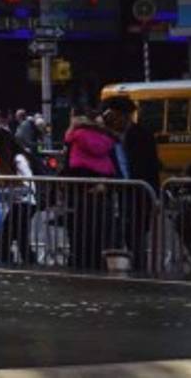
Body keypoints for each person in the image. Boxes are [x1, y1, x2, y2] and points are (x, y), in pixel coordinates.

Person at [102, 96, 161, 269]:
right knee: (115, 236)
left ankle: (139, 270)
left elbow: (151, 167)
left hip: (137, 193)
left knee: (136, 237)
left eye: (115, 116)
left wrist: (155, 197)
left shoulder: (142, 135)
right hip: (117, 193)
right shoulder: (107, 136)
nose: (113, 120)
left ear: (125, 116)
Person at [63, 107, 118, 271]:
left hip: (79, 195)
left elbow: (69, 168)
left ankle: (80, 270)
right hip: (103, 195)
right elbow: (115, 168)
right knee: (100, 238)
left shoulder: (74, 138)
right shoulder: (106, 139)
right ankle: (98, 269)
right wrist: (106, 184)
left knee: (79, 238)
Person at [0, 128, 36, 265]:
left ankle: (11, 264)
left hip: (24, 203)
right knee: (18, 239)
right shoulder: (14, 159)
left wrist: (7, 192)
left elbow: (30, 185)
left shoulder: (18, 159)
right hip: (21, 203)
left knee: (6, 238)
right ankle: (26, 264)